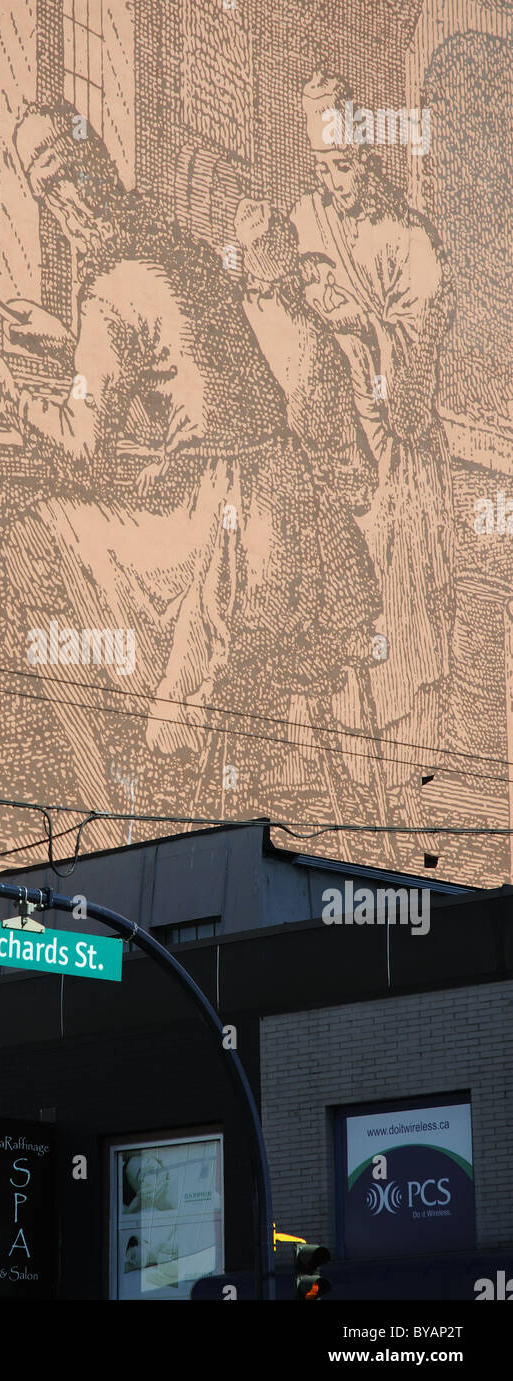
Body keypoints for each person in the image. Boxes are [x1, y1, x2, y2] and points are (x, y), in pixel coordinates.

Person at [0, 102, 309, 809]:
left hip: (218, 528)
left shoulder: (107, 284)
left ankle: (101, 776)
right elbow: (165, 352)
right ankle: (120, 750)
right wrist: (67, 340)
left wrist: (5, 399)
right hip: (287, 502)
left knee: (33, 531)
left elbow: (82, 440)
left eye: (53, 190)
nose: (58, 209)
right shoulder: (176, 244)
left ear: (65, 195)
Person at [290, 73, 455, 843]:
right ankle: (332, 787)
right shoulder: (302, 219)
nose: (336, 186)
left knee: (396, 619)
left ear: (370, 155)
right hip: (328, 452)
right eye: (324, 170)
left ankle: (398, 787)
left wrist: (362, 329)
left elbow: (413, 365)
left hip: (395, 465)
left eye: (347, 168)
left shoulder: (410, 238)